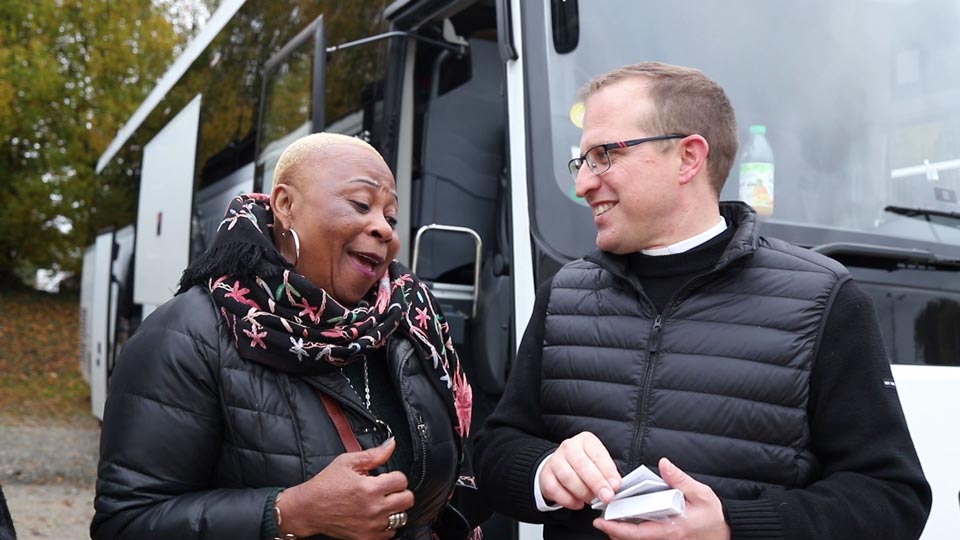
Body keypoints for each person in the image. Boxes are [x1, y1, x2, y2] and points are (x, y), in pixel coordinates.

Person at [473, 62, 931, 540]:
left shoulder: (824, 299)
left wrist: (733, 528)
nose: (583, 183)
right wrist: (545, 471)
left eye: (605, 154)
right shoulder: (565, 294)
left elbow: (893, 499)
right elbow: (494, 451)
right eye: (582, 160)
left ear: (688, 158)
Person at [92, 133, 486, 540]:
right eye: (361, 204)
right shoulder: (186, 335)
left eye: (391, 217)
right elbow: (126, 523)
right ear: (285, 205)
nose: (383, 229)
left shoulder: (410, 324)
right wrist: (290, 512)